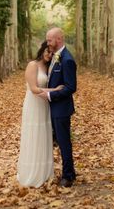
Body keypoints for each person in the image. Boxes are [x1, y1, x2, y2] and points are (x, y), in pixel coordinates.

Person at [16, 41, 62, 187]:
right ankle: (31, 173)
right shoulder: (32, 65)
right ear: (42, 50)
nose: (49, 55)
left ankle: (44, 173)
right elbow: (34, 89)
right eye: (47, 51)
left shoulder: (49, 67)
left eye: (51, 53)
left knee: (44, 136)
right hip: (34, 104)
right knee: (34, 135)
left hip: (44, 105)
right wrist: (56, 91)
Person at [45, 27, 77, 187]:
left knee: (64, 142)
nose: (47, 43)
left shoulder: (67, 59)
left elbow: (71, 87)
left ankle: (68, 176)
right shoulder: (54, 57)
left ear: (58, 39)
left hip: (61, 109)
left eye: (49, 40)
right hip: (52, 108)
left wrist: (51, 95)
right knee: (57, 141)